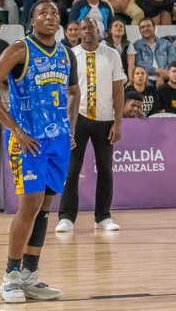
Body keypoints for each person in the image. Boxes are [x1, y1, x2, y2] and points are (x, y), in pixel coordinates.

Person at [0, 1, 74, 303]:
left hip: (57, 141)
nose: (49, 16)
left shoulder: (67, 53)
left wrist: (68, 127)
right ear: (31, 22)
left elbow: (68, 95)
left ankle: (30, 275)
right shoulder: (20, 49)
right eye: (43, 13)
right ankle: (10, 275)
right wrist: (15, 129)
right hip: (28, 141)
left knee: (44, 208)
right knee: (29, 206)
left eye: (54, 13)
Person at [56, 19, 126, 233]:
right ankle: (66, 217)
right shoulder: (70, 55)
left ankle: (103, 216)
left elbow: (118, 90)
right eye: (82, 28)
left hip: (105, 120)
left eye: (90, 28)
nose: (86, 32)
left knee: (106, 169)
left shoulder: (112, 54)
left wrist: (118, 121)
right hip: (78, 119)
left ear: (98, 31)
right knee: (72, 169)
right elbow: (64, 90)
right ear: (77, 32)